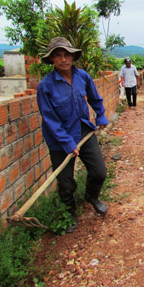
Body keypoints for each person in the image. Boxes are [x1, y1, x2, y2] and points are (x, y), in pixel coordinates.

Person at [37, 36, 109, 233]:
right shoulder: (45, 86)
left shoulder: (82, 77)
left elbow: (95, 98)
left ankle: (92, 197)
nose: (63, 59)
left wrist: (101, 116)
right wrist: (67, 142)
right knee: (66, 182)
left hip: (83, 130)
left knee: (99, 172)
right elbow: (50, 118)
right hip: (58, 138)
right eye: (58, 55)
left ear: (72, 56)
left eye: (66, 54)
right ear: (52, 59)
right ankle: (69, 213)